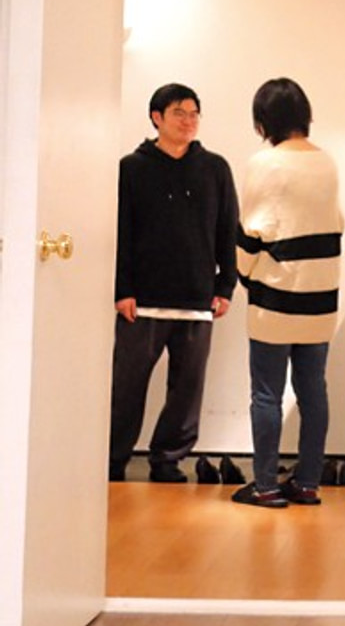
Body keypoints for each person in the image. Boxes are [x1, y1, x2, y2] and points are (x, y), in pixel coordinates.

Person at [109, 83, 239, 483]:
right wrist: (122, 290)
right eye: (179, 112)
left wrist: (225, 286)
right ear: (157, 117)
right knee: (125, 387)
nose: (188, 121)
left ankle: (167, 460)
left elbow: (227, 230)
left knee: (187, 388)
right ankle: (111, 459)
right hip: (142, 302)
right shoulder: (132, 168)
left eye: (194, 113)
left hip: (197, 299)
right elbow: (120, 233)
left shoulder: (215, 169)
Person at [232, 77, 343, 508]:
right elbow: (338, 221)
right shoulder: (326, 162)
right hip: (321, 295)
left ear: (264, 121)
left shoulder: (265, 163)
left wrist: (244, 275)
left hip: (276, 296)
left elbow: (252, 232)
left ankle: (265, 486)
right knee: (314, 390)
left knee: (266, 393)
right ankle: (308, 483)